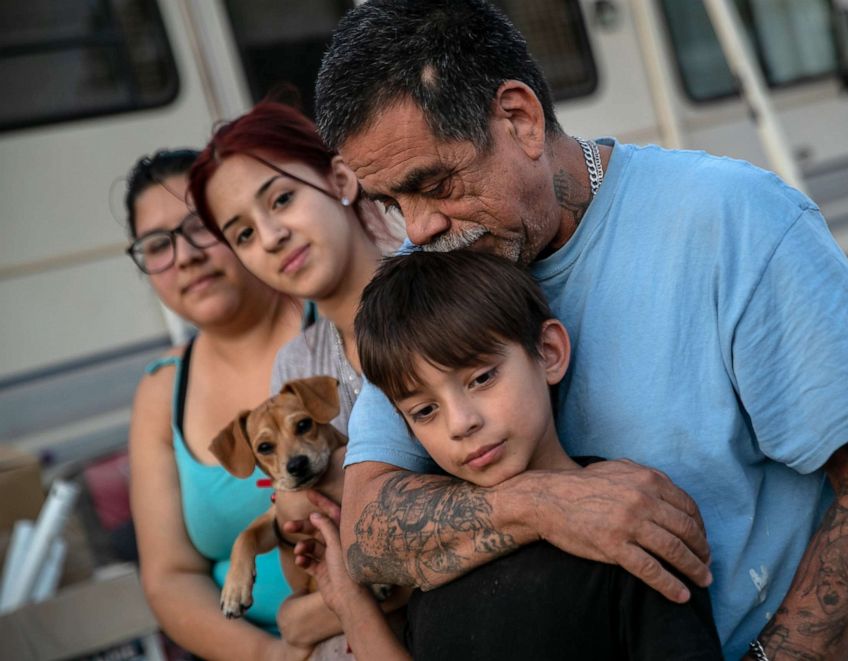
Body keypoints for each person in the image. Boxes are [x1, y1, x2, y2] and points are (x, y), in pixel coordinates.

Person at [311, 1, 848, 659]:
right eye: (391, 203)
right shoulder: (428, 281)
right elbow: (366, 532)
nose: (417, 230)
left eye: (435, 184)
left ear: (519, 118)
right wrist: (548, 502)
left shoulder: (732, 220)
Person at [344, 249, 721, 659]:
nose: (460, 423)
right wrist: (349, 603)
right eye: (424, 411)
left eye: (482, 378)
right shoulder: (432, 563)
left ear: (548, 352)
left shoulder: (630, 516)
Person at [185, 101, 408, 654]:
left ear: (339, 178)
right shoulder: (296, 365)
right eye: (242, 234)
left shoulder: (438, 297)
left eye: (281, 198)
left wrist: (307, 618)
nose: (271, 237)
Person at [124, 150, 330, 659]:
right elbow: (170, 578)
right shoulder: (161, 392)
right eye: (157, 245)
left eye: (199, 227)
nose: (186, 256)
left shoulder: (327, 323)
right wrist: (272, 656)